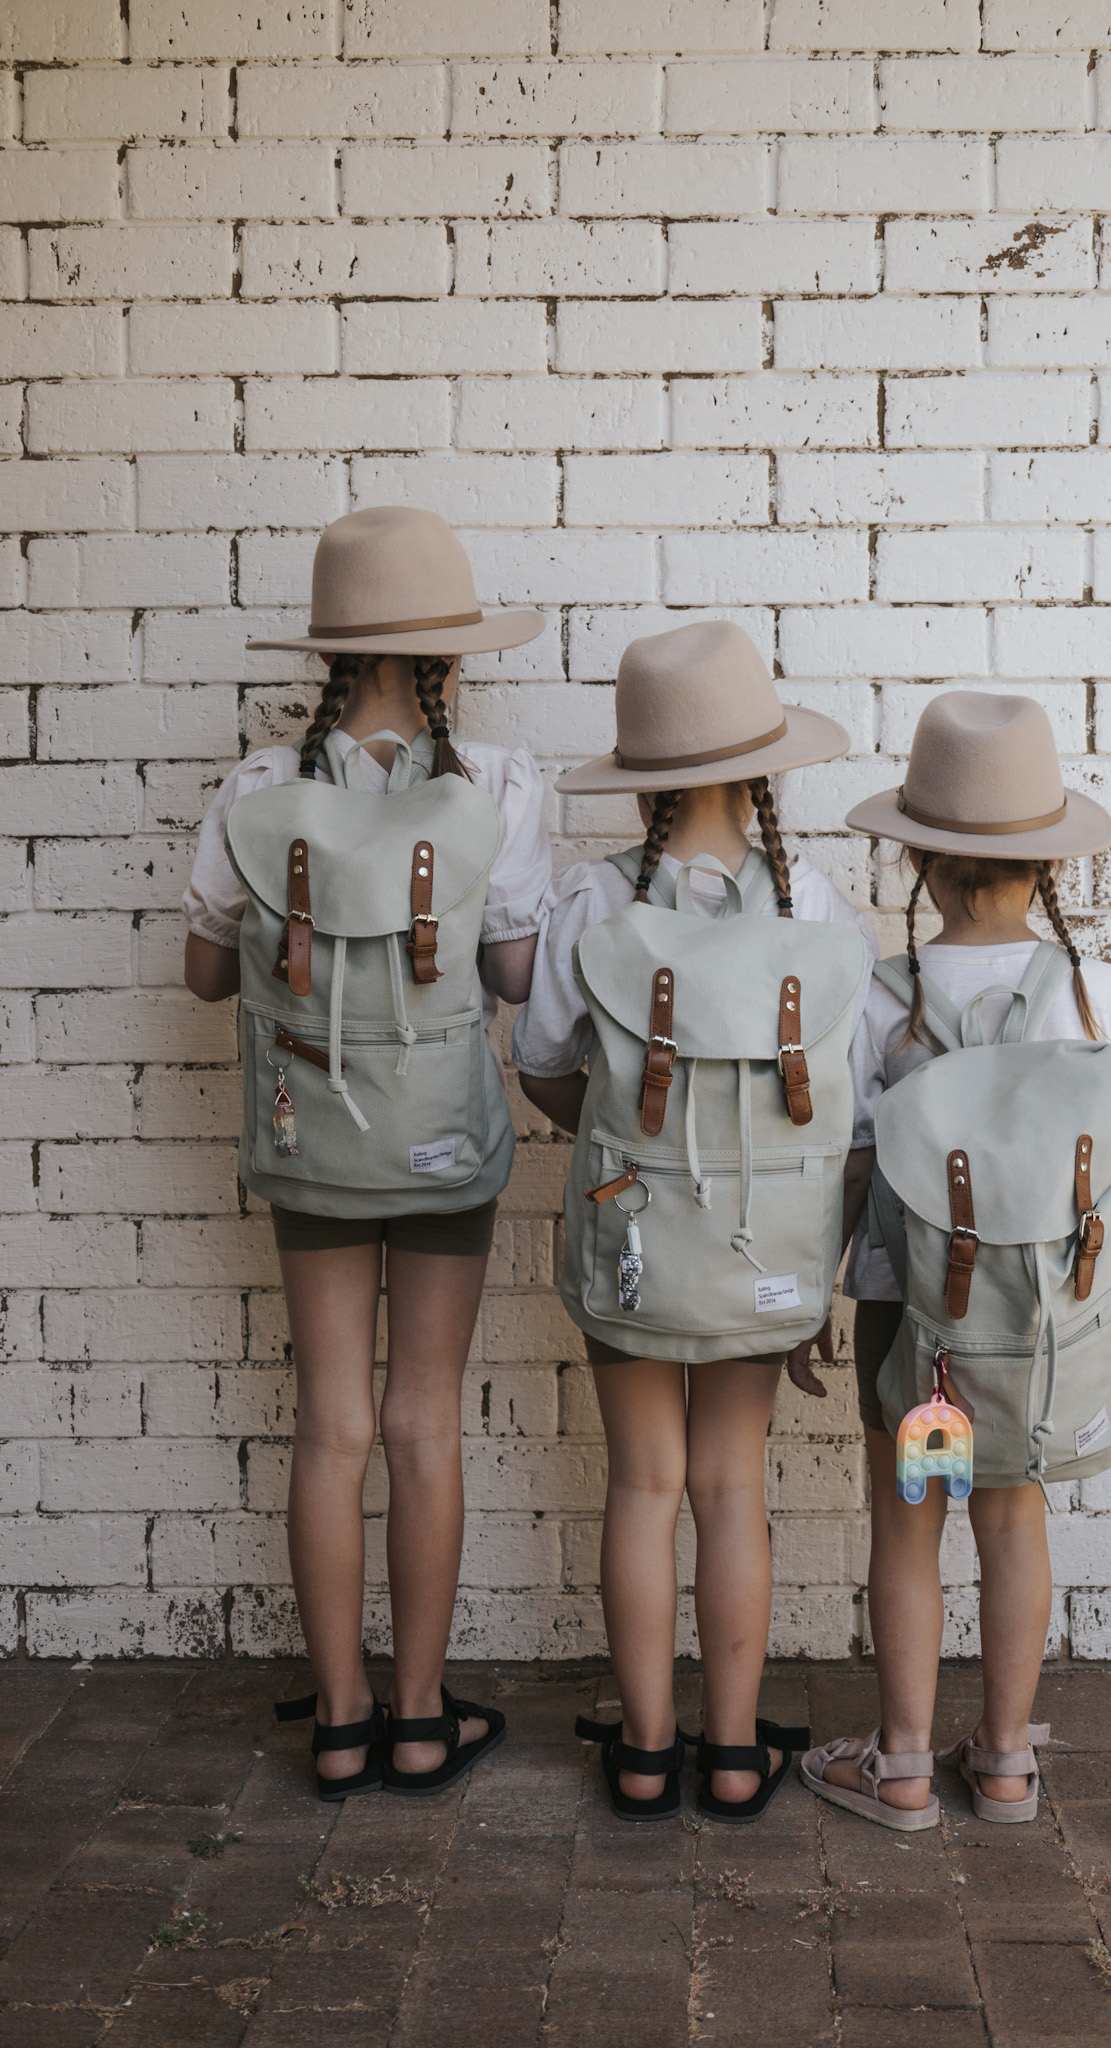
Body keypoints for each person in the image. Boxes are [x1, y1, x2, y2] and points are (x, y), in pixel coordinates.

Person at [182, 506, 550, 1799]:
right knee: (422, 1425)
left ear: (326, 656)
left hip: (310, 1133)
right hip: (443, 1137)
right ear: (451, 656)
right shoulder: (497, 789)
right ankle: (414, 1715)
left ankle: (336, 1722)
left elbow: (204, 979)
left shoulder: (256, 794)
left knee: (330, 1426)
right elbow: (511, 974)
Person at [514, 621, 875, 1823]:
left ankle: (642, 1751)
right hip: (764, 1250)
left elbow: (546, 1069)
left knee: (640, 1484)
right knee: (730, 1486)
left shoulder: (593, 899)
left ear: (645, 775)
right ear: (760, 765)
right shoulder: (813, 904)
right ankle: (732, 1753)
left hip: (630, 1237)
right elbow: (849, 1107)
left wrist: (635, 1140)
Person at [798, 691, 1111, 1830]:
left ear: (924, 862)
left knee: (907, 1519)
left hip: (913, 1322)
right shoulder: (1100, 995)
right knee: (1012, 1516)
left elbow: (850, 1166)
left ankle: (902, 1761)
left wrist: (819, 1288)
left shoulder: (884, 999)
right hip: (1045, 1327)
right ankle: (1004, 1759)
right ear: (1044, 857)